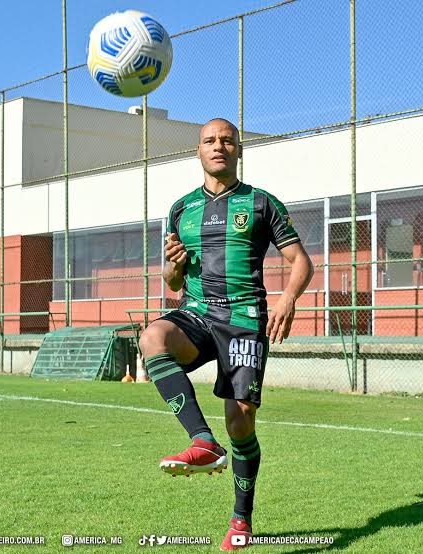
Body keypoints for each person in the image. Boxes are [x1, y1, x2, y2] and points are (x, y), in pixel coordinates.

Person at [138, 118, 313, 551]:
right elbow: (172, 284)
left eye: (227, 141)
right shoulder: (180, 209)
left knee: (240, 420)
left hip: (244, 318)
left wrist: (288, 298)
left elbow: (300, 261)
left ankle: (241, 519)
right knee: (151, 339)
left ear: (238, 150)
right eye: (209, 141)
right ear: (198, 150)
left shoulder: (260, 203)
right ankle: (202, 441)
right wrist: (173, 266)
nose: (218, 146)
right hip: (196, 312)